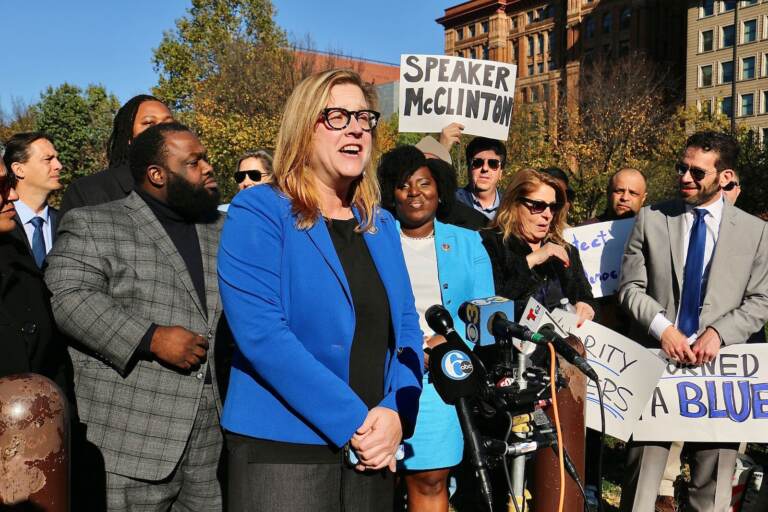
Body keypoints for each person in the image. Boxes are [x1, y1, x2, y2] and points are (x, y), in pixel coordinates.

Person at [218, 69, 423, 512]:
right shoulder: (259, 210)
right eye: (336, 116)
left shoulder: (380, 223)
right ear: (303, 127)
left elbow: (407, 325)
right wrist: (356, 421)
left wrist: (396, 412)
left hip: (373, 451)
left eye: (364, 117)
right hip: (284, 451)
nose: (355, 127)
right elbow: (261, 335)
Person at [45, 122, 225, 510]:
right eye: (194, 162)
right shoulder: (95, 223)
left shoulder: (221, 229)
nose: (208, 167)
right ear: (156, 175)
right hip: (131, 438)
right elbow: (67, 296)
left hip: (210, 437)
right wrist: (150, 337)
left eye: (205, 158)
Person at [618, 131, 768, 512]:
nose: (685, 177)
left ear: (725, 176)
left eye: (697, 172)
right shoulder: (651, 218)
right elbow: (630, 288)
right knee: (640, 491)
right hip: (656, 369)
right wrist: (663, 329)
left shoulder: (756, 232)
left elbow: (761, 300)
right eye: (681, 168)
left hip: (720, 375)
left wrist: (719, 333)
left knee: (713, 493)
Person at [377, 145, 494, 512]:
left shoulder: (467, 241)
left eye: (424, 183)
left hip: (440, 379)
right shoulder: (372, 240)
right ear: (390, 194)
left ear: (440, 190)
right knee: (378, 480)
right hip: (383, 372)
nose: (415, 193)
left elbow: (487, 315)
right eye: (403, 185)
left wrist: (446, 340)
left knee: (429, 478)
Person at [481, 169, 596, 324]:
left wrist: (587, 306)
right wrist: (532, 260)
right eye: (538, 205)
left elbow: (586, 297)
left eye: (553, 207)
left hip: (563, 344)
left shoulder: (566, 250)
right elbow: (490, 307)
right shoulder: (489, 244)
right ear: (514, 204)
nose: (547, 214)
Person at [0, 157, 71, 390]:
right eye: (0, 186)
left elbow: (54, 359)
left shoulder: (19, 260)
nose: (13, 195)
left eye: (9, 183)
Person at [59, 94, 173, 216]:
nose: (162, 129)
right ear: (129, 136)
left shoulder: (190, 189)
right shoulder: (86, 192)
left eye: (170, 123)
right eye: (149, 123)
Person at [3, 132, 63, 267]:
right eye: (48, 159)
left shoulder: (65, 222)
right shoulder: (3, 224)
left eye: (57, 158)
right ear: (19, 170)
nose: (58, 165)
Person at [455, 137, 506, 220]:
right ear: (468, 168)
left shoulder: (512, 209)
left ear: (501, 173)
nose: (485, 168)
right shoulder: (452, 202)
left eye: (493, 163)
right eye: (477, 162)